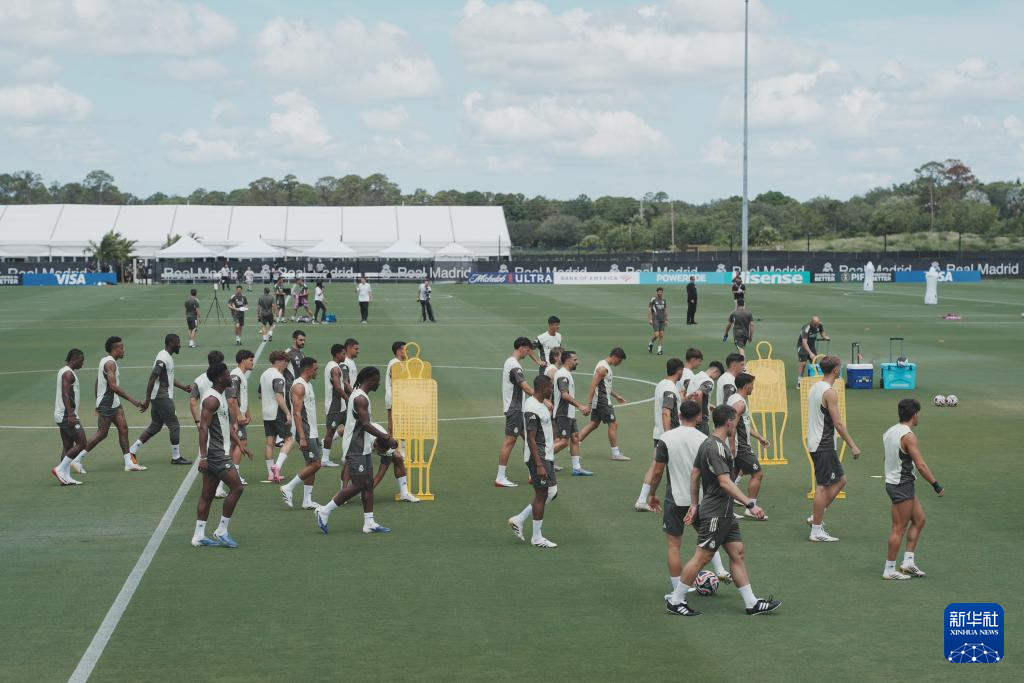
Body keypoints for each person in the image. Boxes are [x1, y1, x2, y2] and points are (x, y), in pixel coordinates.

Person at [664, 404, 780, 617]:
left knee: (737, 553)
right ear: (729, 422)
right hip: (716, 512)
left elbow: (695, 474)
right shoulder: (716, 448)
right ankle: (676, 600)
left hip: (724, 512)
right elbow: (725, 482)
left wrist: (694, 504)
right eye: (736, 421)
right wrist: (750, 504)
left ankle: (751, 603)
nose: (737, 425)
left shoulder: (708, 443)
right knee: (702, 556)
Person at [646, 400, 732, 593]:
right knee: (707, 539)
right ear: (699, 417)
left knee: (673, 546)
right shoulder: (705, 439)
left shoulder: (666, 438)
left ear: (679, 415)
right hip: (701, 499)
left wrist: (652, 494)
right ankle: (719, 569)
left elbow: (657, 472)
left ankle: (678, 590)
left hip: (675, 498)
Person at [315, 367, 396, 534]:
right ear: (370, 379)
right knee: (359, 485)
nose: (379, 383)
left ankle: (369, 523)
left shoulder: (361, 395)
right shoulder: (360, 398)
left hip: (363, 447)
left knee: (368, 485)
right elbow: (365, 424)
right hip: (355, 448)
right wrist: (387, 438)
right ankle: (324, 511)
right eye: (377, 379)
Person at [881, 398, 944, 579]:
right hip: (901, 484)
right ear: (914, 415)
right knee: (899, 528)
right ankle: (889, 569)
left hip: (896, 482)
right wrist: (936, 485)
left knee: (919, 520)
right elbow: (921, 465)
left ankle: (908, 562)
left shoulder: (890, 431)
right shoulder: (908, 436)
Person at [190, 362, 250, 548]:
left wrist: (239, 444)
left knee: (207, 494)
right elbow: (203, 428)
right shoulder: (211, 400)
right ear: (218, 378)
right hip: (216, 454)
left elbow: (225, 424)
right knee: (237, 487)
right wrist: (203, 457)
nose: (230, 377)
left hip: (217, 452)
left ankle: (198, 536)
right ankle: (222, 530)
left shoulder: (220, 396)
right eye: (226, 374)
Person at [806, 355, 861, 542]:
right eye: (840, 367)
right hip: (823, 443)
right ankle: (816, 530)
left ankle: (816, 517)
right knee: (822, 486)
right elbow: (838, 423)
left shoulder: (815, 387)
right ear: (836, 370)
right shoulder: (829, 392)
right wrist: (852, 445)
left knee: (841, 480)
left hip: (817, 441)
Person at [506, 375, 559, 548]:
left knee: (551, 492)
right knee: (542, 494)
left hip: (547, 455)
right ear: (542, 388)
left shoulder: (541, 405)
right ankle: (537, 537)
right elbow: (531, 438)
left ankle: (519, 519)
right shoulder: (532, 408)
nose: (551, 390)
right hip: (538, 457)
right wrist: (539, 464)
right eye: (550, 387)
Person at [79, 336, 146, 472]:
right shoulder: (110, 364)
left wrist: (97, 400)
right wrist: (133, 400)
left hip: (113, 402)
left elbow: (98, 381)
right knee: (102, 433)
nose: (123, 350)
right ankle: (77, 459)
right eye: (121, 348)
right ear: (114, 349)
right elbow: (113, 386)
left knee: (124, 429)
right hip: (107, 402)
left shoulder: (105, 361)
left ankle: (128, 463)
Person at [131, 334, 193, 467]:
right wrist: (147, 400)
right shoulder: (163, 358)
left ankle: (132, 450)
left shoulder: (167, 357)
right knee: (174, 425)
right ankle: (176, 457)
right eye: (178, 342)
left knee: (156, 425)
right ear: (171, 343)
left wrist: (184, 387)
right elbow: (152, 378)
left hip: (159, 397)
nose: (180, 345)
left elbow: (168, 378)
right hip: (162, 397)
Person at [634, 358, 685, 511]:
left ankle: (642, 499)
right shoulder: (670, 389)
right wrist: (669, 436)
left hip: (659, 434)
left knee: (656, 467)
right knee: (675, 468)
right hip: (668, 435)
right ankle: (680, 501)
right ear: (679, 371)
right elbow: (666, 412)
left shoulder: (662, 384)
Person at [279, 357, 323, 510]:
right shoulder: (299, 386)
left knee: (311, 465)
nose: (317, 372)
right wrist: (302, 437)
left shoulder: (307, 384)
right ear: (308, 370)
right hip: (306, 432)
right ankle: (288, 487)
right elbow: (297, 413)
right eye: (315, 369)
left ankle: (307, 500)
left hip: (312, 431)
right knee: (316, 464)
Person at [726, 373, 771, 519]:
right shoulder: (740, 403)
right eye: (752, 384)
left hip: (738, 445)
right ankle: (751, 507)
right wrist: (732, 447)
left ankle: (725, 509)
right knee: (757, 473)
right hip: (741, 447)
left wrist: (759, 437)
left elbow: (743, 425)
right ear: (746, 385)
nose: (753, 387)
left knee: (730, 479)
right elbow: (732, 424)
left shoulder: (733, 398)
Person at [496, 337, 536, 487]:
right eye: (527, 349)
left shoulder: (511, 362)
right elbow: (524, 386)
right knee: (509, 441)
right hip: (515, 409)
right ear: (521, 348)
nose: (528, 352)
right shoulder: (514, 364)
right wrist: (541, 399)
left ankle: (533, 473)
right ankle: (500, 477)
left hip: (519, 409)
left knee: (530, 439)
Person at [579, 347, 629, 460]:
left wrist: (617, 396)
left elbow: (605, 386)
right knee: (613, 424)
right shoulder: (603, 368)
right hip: (602, 401)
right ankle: (615, 453)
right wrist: (589, 405)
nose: (620, 363)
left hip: (600, 400)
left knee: (594, 424)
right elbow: (593, 386)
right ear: (615, 357)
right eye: (620, 360)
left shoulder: (604, 366)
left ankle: (575, 444)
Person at [217, 349, 254, 498]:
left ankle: (226, 479)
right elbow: (231, 399)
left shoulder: (240, 376)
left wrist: (247, 413)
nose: (252, 362)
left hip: (237, 416)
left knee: (233, 445)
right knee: (240, 443)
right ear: (243, 360)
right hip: (233, 417)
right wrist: (237, 417)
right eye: (250, 360)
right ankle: (233, 477)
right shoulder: (236, 376)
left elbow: (240, 397)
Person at [552, 350, 592, 476]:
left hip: (569, 413)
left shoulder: (567, 374)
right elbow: (564, 395)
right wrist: (580, 406)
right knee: (564, 442)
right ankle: (540, 459)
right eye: (575, 360)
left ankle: (576, 468)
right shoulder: (562, 375)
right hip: (562, 413)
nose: (577, 362)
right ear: (567, 360)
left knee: (575, 438)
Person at [52, 349, 87, 485]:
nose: (83, 363)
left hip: (62, 414)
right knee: (82, 443)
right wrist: (71, 414)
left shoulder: (65, 371)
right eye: (81, 360)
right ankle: (60, 469)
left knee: (67, 446)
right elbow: (65, 394)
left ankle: (64, 477)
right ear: (74, 359)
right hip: (67, 415)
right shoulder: (68, 373)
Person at [258, 350, 293, 483]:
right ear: (278, 361)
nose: (286, 364)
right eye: (285, 362)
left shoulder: (264, 374)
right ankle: (277, 467)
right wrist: (287, 413)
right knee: (289, 440)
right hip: (277, 412)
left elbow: (260, 395)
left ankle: (271, 474)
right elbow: (279, 396)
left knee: (269, 443)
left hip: (266, 412)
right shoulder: (278, 376)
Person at [365, 422, 420, 502]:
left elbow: (381, 471)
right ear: (376, 446)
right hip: (357, 438)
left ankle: (404, 494)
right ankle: (345, 492)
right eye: (382, 451)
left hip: (375, 441)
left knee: (398, 458)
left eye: (386, 451)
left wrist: (369, 490)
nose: (385, 453)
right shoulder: (365, 442)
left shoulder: (388, 446)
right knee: (352, 462)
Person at [322, 343, 348, 468]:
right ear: (337, 354)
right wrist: (348, 399)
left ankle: (348, 454)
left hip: (341, 406)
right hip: (334, 406)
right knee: (330, 432)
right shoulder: (335, 368)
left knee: (352, 426)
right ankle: (324, 459)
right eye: (343, 353)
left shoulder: (331, 365)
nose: (345, 356)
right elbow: (337, 387)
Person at [689, 361, 723, 436]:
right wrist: (699, 415)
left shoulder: (695, 376)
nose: (715, 379)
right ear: (716, 371)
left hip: (688, 418)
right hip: (699, 421)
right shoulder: (708, 381)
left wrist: (708, 405)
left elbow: (692, 395)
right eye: (717, 376)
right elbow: (698, 394)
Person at [796, 316, 830, 387]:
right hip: (802, 346)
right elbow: (804, 342)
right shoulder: (806, 328)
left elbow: (822, 331)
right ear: (811, 322)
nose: (816, 326)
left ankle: (813, 380)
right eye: (815, 325)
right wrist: (810, 353)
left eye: (817, 324)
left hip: (811, 346)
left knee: (814, 362)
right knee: (803, 363)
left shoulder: (819, 325)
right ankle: (799, 382)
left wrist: (824, 336)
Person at [384, 341, 407, 434]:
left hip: (394, 397)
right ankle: (392, 443)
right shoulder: (396, 364)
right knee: (393, 426)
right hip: (394, 398)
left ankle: (392, 442)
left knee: (393, 426)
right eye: (405, 349)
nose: (407, 352)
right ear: (398, 351)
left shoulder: (396, 363)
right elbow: (396, 383)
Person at [283, 329, 306, 398]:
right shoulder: (287, 353)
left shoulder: (302, 354)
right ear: (294, 340)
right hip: (290, 388)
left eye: (304, 340)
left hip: (300, 387)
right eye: (300, 340)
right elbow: (280, 370)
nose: (303, 342)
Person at [647, 287, 668, 355]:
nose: (660, 293)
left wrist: (666, 319)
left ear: (662, 292)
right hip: (655, 319)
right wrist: (650, 319)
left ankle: (659, 350)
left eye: (661, 292)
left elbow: (665, 310)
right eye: (659, 292)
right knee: (656, 335)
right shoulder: (653, 299)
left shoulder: (664, 300)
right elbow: (649, 309)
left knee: (661, 334)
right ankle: (650, 343)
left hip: (662, 319)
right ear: (657, 292)